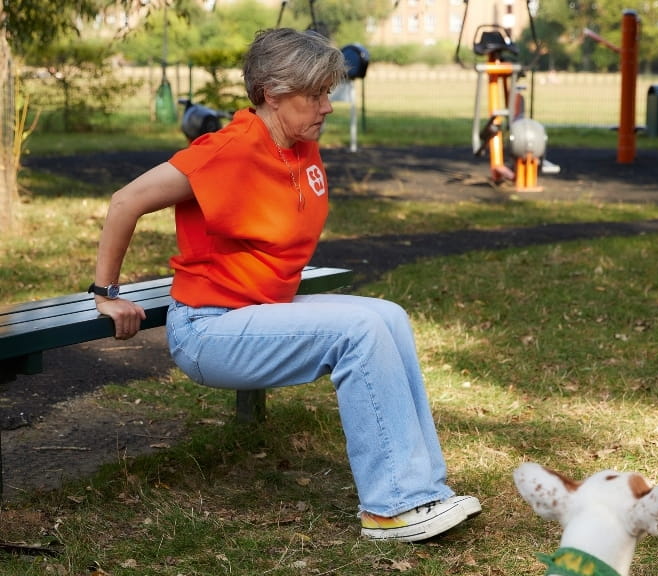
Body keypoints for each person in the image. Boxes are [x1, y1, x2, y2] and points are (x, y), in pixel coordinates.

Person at [89, 27, 481, 542]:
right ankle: (392, 508)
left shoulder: (298, 146)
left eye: (328, 92)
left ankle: (424, 490)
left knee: (388, 315)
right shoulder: (224, 151)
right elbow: (125, 202)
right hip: (209, 330)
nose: (328, 107)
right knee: (360, 330)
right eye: (316, 95)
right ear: (271, 94)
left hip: (257, 313)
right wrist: (106, 294)